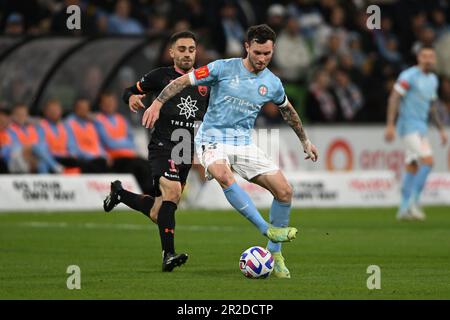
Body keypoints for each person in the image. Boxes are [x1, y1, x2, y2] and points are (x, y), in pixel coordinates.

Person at [142, 24, 319, 279]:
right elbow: (183, 80)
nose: (262, 59)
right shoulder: (221, 68)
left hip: (242, 143)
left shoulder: (272, 82)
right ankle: (266, 229)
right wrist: (157, 103)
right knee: (224, 176)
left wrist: (305, 140)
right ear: (247, 47)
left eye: (267, 54)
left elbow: (287, 110)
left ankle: (275, 254)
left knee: (285, 192)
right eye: (257, 52)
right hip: (211, 139)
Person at [103, 31, 209, 272]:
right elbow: (129, 90)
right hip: (163, 145)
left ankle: (120, 194)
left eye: (191, 49)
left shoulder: (205, 80)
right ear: (172, 52)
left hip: (185, 151)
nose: (187, 54)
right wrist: (131, 98)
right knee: (171, 191)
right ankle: (168, 255)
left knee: (157, 212)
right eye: (181, 49)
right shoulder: (160, 76)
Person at [385, 46, 447, 221]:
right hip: (407, 126)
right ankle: (414, 201)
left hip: (421, 127)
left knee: (412, 164)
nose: (428, 59)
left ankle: (403, 208)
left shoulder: (433, 79)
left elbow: (432, 107)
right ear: (419, 58)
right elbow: (394, 97)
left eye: (431, 56)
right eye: (425, 56)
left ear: (434, 59)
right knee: (428, 161)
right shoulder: (408, 76)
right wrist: (390, 124)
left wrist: (441, 129)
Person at [94, 91, 153, 194]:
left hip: (128, 156)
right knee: (138, 167)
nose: (109, 105)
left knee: (147, 165)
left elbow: (131, 142)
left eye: (111, 102)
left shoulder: (121, 119)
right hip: (114, 158)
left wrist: (118, 142)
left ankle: (151, 194)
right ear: (101, 105)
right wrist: (123, 142)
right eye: (106, 103)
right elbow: (108, 143)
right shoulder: (98, 120)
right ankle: (146, 194)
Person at [65, 98, 109, 173]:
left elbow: (97, 143)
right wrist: (90, 155)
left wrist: (104, 154)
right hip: (81, 157)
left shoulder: (91, 123)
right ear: (75, 109)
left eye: (85, 108)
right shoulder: (69, 123)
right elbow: (72, 147)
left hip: (95, 157)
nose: (83, 110)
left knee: (103, 161)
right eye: (81, 108)